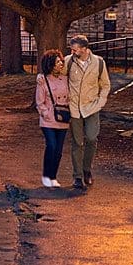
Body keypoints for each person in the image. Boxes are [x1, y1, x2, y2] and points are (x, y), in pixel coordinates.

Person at [65, 34, 110, 190]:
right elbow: (58, 77)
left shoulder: (99, 63)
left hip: (92, 107)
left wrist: (100, 102)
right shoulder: (68, 61)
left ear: (84, 49)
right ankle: (77, 176)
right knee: (77, 142)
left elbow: (105, 85)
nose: (72, 51)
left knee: (91, 138)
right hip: (74, 108)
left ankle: (86, 169)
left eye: (75, 49)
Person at [35, 49, 70, 188]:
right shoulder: (43, 81)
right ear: (51, 64)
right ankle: (46, 175)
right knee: (52, 145)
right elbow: (39, 102)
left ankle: (53, 176)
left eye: (61, 61)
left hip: (63, 118)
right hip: (49, 120)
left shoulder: (65, 79)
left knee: (59, 150)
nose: (61, 64)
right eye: (57, 62)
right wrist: (46, 113)